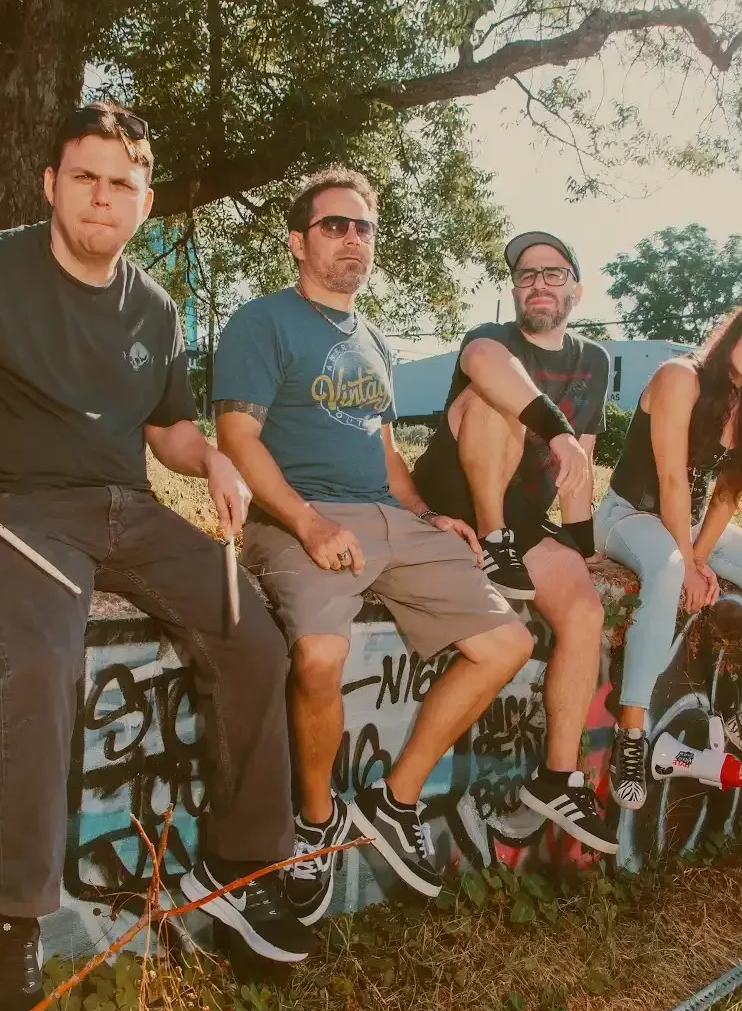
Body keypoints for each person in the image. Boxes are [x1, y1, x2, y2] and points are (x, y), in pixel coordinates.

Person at [0, 101, 308, 1011]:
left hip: (129, 511)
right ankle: (12, 933)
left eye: (123, 183)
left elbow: (168, 429)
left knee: (253, 635)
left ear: (144, 199)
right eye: (86, 178)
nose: (103, 198)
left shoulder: (155, 306)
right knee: (43, 661)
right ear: (51, 185)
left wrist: (213, 461)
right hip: (16, 512)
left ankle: (239, 869)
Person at [213, 167, 533, 925]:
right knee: (320, 657)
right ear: (298, 242)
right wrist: (307, 523)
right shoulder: (261, 322)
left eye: (364, 227)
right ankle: (316, 821)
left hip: (388, 520)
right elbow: (237, 439)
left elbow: (383, 448)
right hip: (298, 517)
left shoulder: (374, 339)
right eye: (334, 225)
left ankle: (396, 799)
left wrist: (425, 513)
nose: (352, 238)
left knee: (508, 643)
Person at [411, 231, 616, 855]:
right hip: (451, 496)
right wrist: (556, 431)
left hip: (523, 514)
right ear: (515, 290)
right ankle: (493, 538)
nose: (539, 284)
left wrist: (580, 544)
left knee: (583, 610)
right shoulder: (492, 338)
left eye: (554, 274)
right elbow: (483, 364)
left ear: (576, 290)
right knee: (496, 399)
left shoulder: (594, 361)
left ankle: (558, 777)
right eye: (527, 275)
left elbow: (580, 463)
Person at [594, 295, 742, 811]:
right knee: (668, 569)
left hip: (688, 526)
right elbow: (672, 479)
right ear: (738, 328)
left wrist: (699, 552)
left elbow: (725, 496)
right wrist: (689, 563)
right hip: (629, 515)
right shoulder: (681, 376)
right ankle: (632, 733)